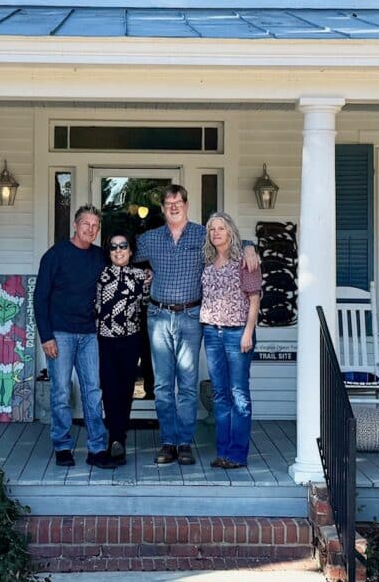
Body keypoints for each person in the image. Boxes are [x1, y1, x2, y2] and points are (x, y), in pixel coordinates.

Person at [136, 185, 259, 466]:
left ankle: (185, 443)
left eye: (178, 202)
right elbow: (123, 255)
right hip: (158, 316)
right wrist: (143, 272)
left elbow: (230, 240)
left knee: (189, 385)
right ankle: (168, 442)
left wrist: (251, 246)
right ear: (163, 208)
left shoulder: (201, 235)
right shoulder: (150, 239)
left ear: (186, 205)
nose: (174, 207)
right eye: (168, 203)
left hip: (192, 317)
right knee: (164, 385)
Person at [34, 206, 116, 469]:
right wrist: (46, 336)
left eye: (95, 226)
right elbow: (40, 299)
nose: (90, 230)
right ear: (75, 225)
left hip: (89, 334)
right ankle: (62, 446)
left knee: (93, 391)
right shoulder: (55, 256)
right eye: (86, 224)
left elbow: (115, 281)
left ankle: (97, 448)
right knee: (60, 392)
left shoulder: (100, 257)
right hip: (60, 333)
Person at [199, 211, 261, 469]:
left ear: (230, 231)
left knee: (239, 394)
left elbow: (254, 299)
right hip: (212, 333)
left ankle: (237, 454)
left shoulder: (244, 261)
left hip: (237, 333)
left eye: (221, 228)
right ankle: (223, 452)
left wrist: (248, 332)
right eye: (212, 229)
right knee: (220, 394)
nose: (216, 233)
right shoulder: (208, 262)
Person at [93, 231, 151, 464]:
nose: (118, 250)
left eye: (123, 246)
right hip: (104, 339)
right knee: (109, 387)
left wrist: (149, 277)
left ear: (130, 250)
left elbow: (146, 304)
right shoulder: (100, 274)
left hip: (130, 339)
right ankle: (113, 436)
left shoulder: (141, 276)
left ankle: (119, 438)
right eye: (113, 247)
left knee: (126, 389)